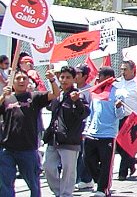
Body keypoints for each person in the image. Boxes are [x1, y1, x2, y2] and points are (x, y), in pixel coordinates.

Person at [0, 68, 59, 197]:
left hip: (28, 149)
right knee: (5, 184)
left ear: (28, 81)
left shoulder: (35, 97)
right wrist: (3, 96)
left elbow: (55, 94)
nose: (21, 81)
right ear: (12, 81)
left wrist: (52, 80)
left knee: (33, 184)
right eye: (18, 78)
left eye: (24, 78)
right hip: (7, 150)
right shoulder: (6, 99)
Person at [42, 66, 89, 197]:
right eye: (62, 77)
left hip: (70, 139)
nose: (64, 80)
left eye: (68, 77)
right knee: (48, 166)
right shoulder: (57, 94)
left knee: (69, 170)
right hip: (54, 138)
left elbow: (84, 113)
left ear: (74, 79)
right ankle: (58, 192)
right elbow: (48, 105)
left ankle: (66, 194)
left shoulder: (79, 95)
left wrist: (77, 102)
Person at [83, 67, 126, 197]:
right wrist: (87, 129)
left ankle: (103, 188)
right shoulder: (95, 92)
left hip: (107, 134)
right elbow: (92, 113)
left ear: (107, 78)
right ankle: (99, 181)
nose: (97, 78)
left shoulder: (118, 93)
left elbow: (120, 115)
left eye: (100, 76)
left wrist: (118, 107)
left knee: (106, 163)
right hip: (92, 133)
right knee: (88, 160)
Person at [114, 60, 137, 181]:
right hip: (119, 117)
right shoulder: (118, 83)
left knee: (126, 146)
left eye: (125, 69)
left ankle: (122, 173)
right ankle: (131, 160)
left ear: (132, 70)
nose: (123, 72)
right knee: (118, 144)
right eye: (121, 69)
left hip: (132, 119)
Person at [73, 64, 95, 190]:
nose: (75, 76)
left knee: (83, 153)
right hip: (71, 125)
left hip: (84, 125)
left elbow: (91, 110)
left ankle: (86, 179)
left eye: (78, 73)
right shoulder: (71, 88)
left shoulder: (89, 91)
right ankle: (75, 178)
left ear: (85, 76)